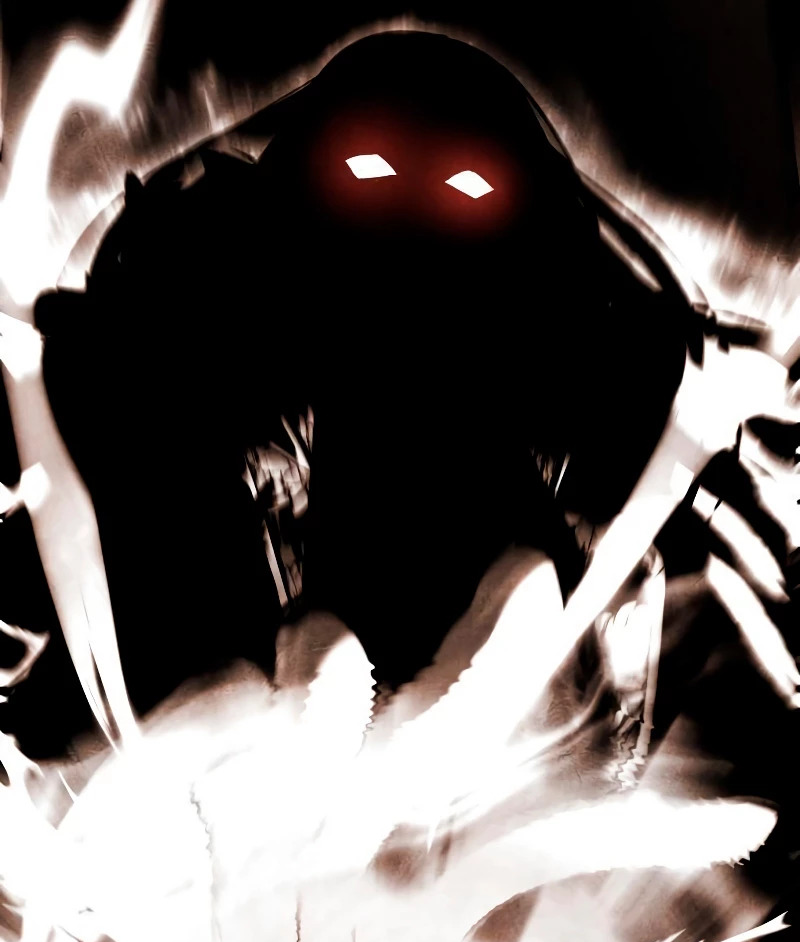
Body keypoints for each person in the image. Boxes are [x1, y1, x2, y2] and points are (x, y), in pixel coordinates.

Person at [4, 29, 798, 859]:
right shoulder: (228, 309)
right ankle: (276, 796)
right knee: (332, 681)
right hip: (303, 594)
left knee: (501, 618)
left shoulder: (568, 347)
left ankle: (342, 787)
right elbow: (136, 391)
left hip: (473, 590)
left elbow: (641, 428)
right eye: (372, 173)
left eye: (463, 187)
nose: (412, 230)